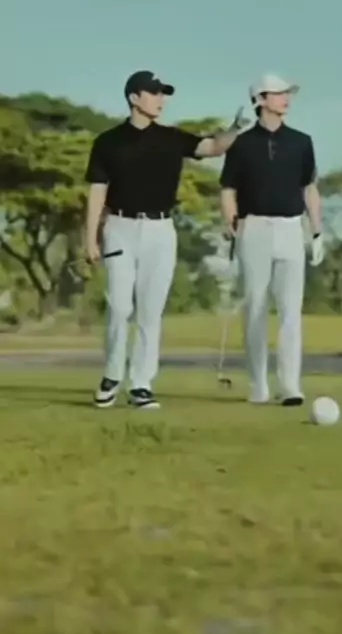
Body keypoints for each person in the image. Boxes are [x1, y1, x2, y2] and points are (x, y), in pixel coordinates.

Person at [85, 69, 246, 409]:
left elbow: (213, 147)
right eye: (154, 93)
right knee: (119, 306)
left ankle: (141, 384)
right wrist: (90, 239)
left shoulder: (172, 137)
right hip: (120, 227)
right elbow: (97, 192)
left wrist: (235, 128)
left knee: (150, 311)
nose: (161, 99)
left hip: (161, 230)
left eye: (163, 94)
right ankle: (112, 375)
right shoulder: (108, 142)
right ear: (134, 98)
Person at [219, 73, 324, 406]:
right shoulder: (241, 144)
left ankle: (290, 385)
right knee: (255, 307)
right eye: (279, 93)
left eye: (287, 93)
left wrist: (316, 231)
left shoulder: (302, 141)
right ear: (261, 99)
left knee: (291, 310)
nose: (286, 98)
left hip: (291, 228)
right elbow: (228, 189)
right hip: (254, 228)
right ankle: (258, 385)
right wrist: (231, 225)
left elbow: (309, 188)